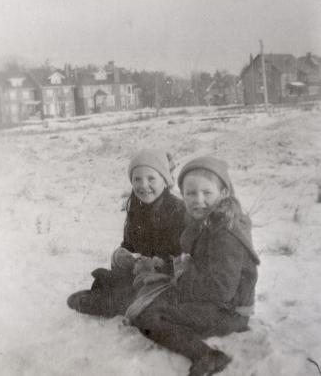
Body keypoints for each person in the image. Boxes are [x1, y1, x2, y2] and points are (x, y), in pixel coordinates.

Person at [127, 155, 260, 376]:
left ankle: (206, 355)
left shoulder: (226, 233)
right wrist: (167, 269)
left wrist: (181, 277)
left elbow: (221, 289)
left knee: (150, 316)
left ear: (224, 193)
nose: (198, 200)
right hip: (215, 301)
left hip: (230, 312)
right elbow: (196, 264)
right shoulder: (205, 222)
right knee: (149, 300)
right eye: (190, 193)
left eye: (206, 193)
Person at [67, 149, 186, 317]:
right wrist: (123, 255)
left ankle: (122, 303)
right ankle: (117, 299)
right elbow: (129, 245)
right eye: (137, 179)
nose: (143, 185)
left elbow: (184, 260)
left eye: (151, 178)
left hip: (165, 280)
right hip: (139, 274)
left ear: (165, 181)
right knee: (96, 284)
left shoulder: (178, 211)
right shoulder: (136, 208)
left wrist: (153, 265)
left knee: (124, 297)